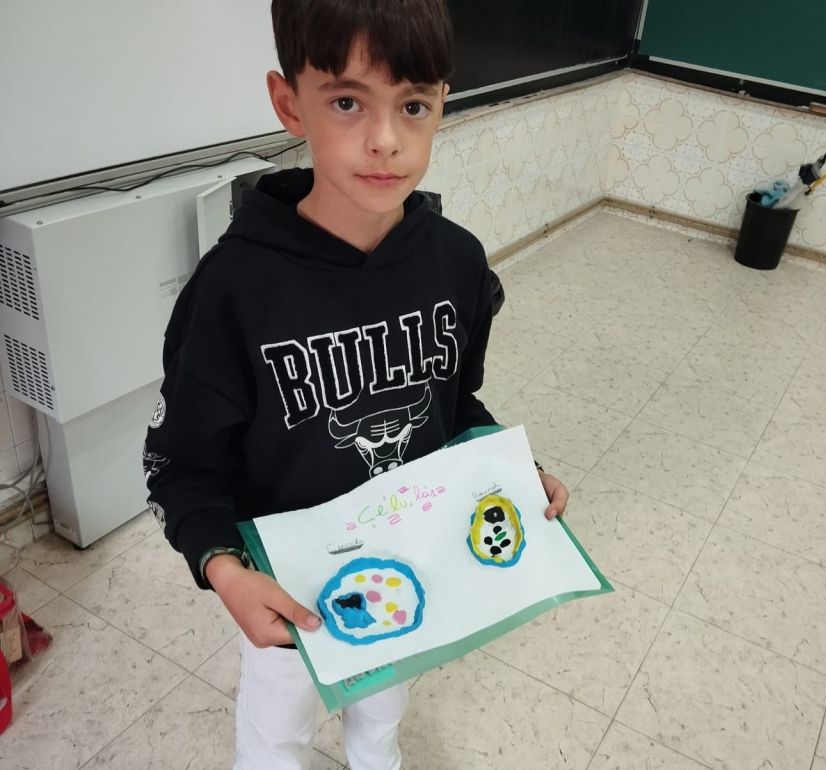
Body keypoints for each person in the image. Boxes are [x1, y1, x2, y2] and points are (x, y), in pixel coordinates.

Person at [143, 1, 569, 768]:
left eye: (413, 105)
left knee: (381, 717)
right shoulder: (232, 291)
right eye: (347, 102)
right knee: (276, 734)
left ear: (442, 103)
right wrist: (224, 569)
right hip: (288, 590)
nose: (386, 140)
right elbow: (180, 465)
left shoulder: (458, 263)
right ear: (288, 104)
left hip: (407, 571)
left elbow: (454, 406)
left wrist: (508, 469)